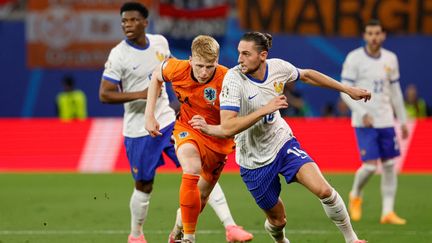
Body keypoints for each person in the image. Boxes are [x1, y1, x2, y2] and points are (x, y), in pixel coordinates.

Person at [189, 31, 370, 243]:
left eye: (246, 54)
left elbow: (308, 75)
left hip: (282, 142)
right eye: (239, 53)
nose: (239, 59)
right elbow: (228, 127)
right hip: (253, 160)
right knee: (278, 220)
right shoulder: (233, 79)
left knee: (324, 190)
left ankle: (352, 239)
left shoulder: (278, 68)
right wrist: (264, 110)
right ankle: (281, 240)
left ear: (262, 55)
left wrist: (347, 89)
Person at [99, 3, 253, 243]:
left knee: (196, 171)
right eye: (124, 21)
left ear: (145, 22)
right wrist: (142, 99)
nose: (127, 25)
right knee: (144, 185)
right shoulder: (119, 54)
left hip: (171, 122)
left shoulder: (160, 42)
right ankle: (136, 235)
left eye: (132, 20)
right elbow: (105, 94)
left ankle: (229, 226)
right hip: (138, 128)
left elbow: (172, 74)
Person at [144, 35, 253, 243]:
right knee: (191, 167)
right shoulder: (176, 68)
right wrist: (149, 115)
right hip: (188, 128)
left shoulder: (228, 79)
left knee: (200, 199)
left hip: (218, 138)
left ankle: (177, 229)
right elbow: (156, 76)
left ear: (217, 62)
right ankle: (189, 238)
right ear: (191, 60)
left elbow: (239, 117)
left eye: (210, 67)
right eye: (200, 65)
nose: (204, 72)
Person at [340, 19, 409, 225]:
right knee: (370, 167)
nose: (374, 37)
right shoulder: (354, 59)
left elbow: (395, 92)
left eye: (377, 33)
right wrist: (361, 112)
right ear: (364, 36)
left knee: (389, 165)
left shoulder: (391, 59)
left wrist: (402, 120)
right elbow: (345, 91)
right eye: (370, 33)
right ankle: (355, 194)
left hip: (386, 119)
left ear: (384, 35)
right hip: (365, 121)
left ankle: (387, 211)